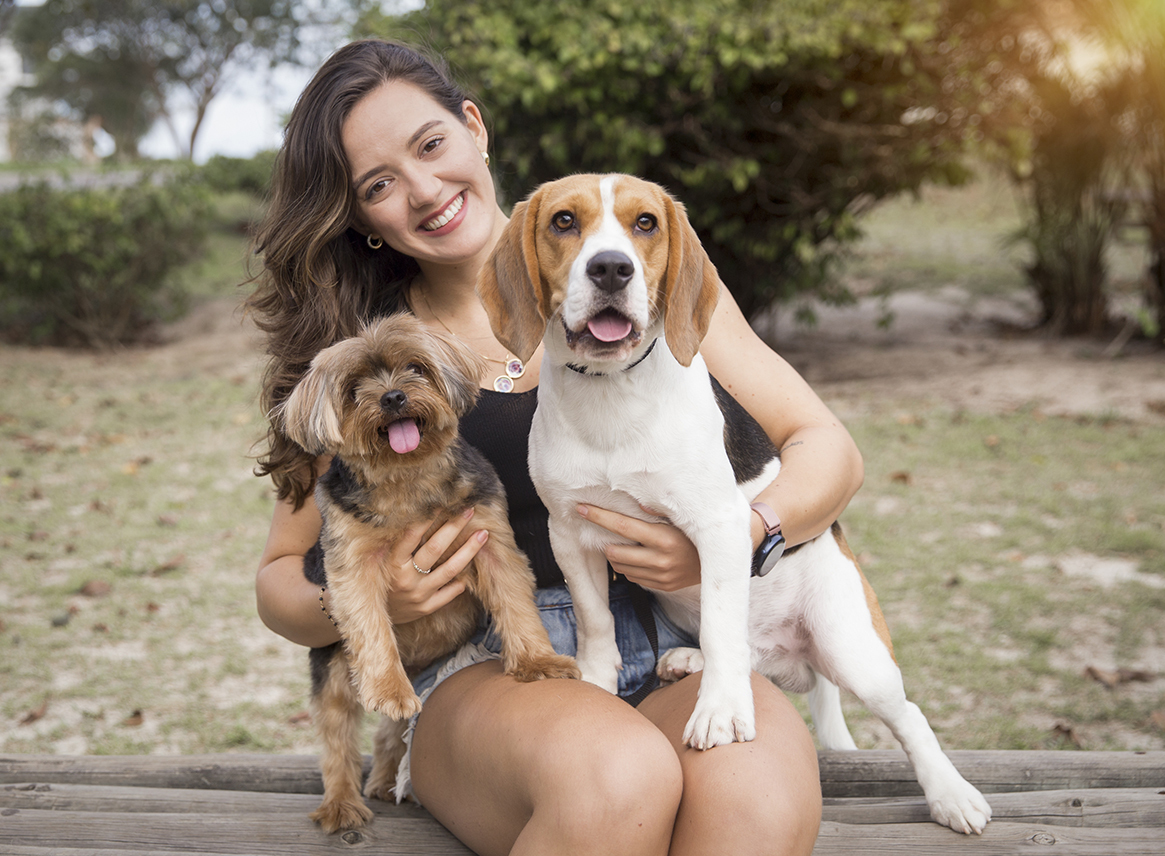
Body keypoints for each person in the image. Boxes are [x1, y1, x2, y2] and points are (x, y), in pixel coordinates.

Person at [248, 38, 863, 856]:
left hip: (676, 644)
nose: (425, 191)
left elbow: (828, 448)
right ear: (360, 216)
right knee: (616, 780)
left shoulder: (639, 260)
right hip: (489, 665)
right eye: (380, 185)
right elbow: (276, 582)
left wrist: (748, 535)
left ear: (473, 127)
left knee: (757, 801)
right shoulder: (371, 363)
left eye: (431, 146)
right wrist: (375, 603)